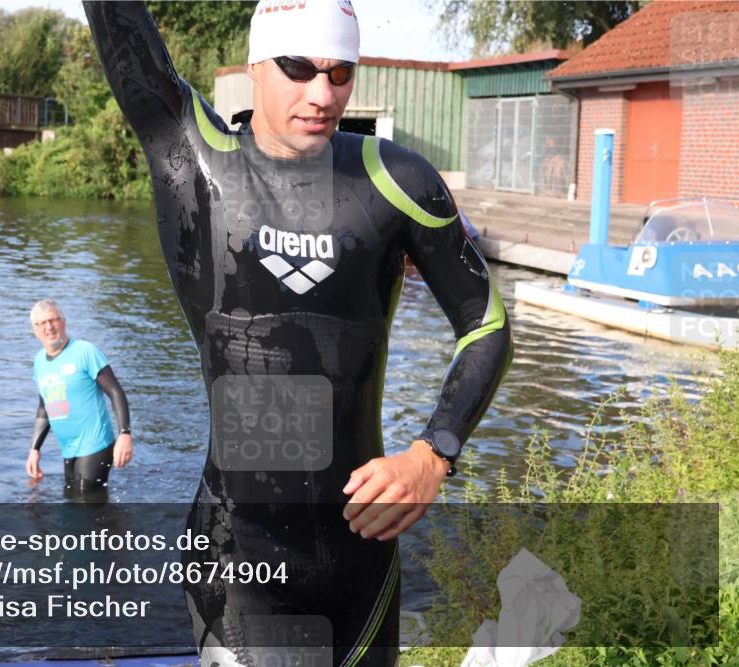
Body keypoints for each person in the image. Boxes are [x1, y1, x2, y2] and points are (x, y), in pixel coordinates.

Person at [85, 1, 512, 664]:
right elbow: (119, 25)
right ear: (255, 67)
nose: (322, 94)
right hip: (240, 561)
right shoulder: (197, 159)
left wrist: (434, 452)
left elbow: (484, 323)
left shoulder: (396, 182)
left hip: (362, 564)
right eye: (298, 69)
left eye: (341, 74)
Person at [26, 299, 133, 499]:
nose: (49, 327)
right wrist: (34, 449)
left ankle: (120, 529)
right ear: (35, 329)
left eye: (53, 320)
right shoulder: (39, 361)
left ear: (63, 322)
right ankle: (117, 528)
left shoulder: (85, 352)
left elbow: (116, 392)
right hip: (69, 449)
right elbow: (44, 408)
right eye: (42, 323)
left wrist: (124, 435)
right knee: (73, 501)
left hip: (96, 444)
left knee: (86, 502)